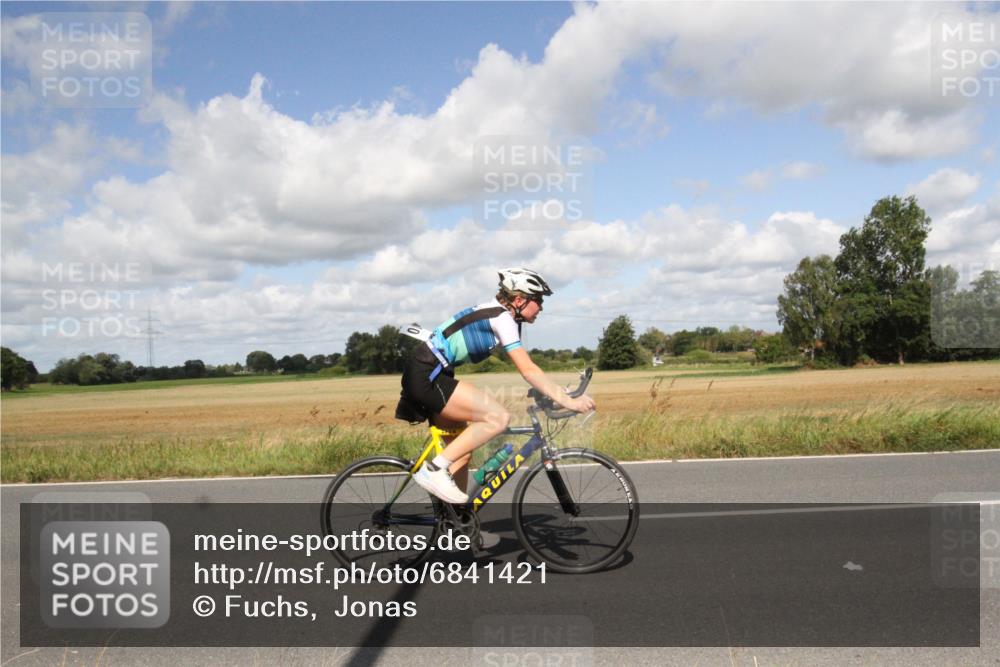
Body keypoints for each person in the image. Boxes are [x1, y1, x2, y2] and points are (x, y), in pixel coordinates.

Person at [395, 268, 595, 504]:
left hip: (433, 372)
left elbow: (528, 367)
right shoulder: (502, 318)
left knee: (461, 454)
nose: (541, 307)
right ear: (519, 300)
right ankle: (434, 470)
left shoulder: (502, 317)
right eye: (538, 300)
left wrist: (555, 391)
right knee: (498, 417)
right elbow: (528, 369)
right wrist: (569, 401)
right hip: (427, 374)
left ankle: (456, 525)